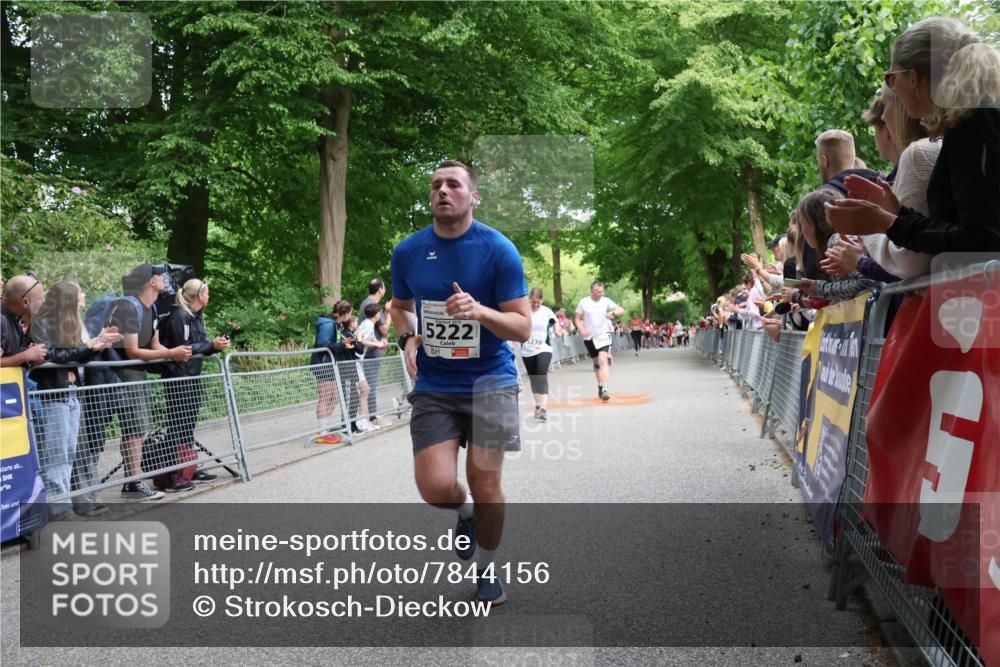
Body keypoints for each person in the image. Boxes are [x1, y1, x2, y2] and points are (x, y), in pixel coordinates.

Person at [388, 159, 530, 605]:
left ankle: (487, 570)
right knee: (435, 488)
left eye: (453, 184)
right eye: (435, 186)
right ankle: (464, 513)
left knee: (486, 483)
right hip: (436, 385)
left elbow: (523, 327)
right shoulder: (408, 251)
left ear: (473, 196)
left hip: (491, 383)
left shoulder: (498, 249)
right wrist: (409, 335)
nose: (442, 191)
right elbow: (397, 306)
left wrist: (480, 311)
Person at [826, 17, 1000, 254]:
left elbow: (982, 240)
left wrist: (888, 223)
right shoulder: (976, 116)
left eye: (891, 78)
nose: (892, 88)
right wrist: (897, 213)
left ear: (914, 78)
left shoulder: (973, 123)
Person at [29, 282, 121, 517]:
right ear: (68, 298)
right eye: (80, 292)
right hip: (54, 394)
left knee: (69, 452)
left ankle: (64, 505)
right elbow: (55, 355)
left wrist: (95, 345)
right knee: (56, 454)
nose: (84, 295)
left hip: (71, 393)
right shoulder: (44, 323)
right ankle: (58, 509)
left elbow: (74, 355)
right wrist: (88, 346)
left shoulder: (67, 324)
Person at [112, 263, 192, 501]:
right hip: (126, 372)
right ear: (150, 282)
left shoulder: (153, 308)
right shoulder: (129, 307)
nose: (165, 278)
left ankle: (133, 481)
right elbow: (133, 351)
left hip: (139, 372)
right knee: (134, 429)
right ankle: (133, 482)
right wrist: (170, 354)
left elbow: (155, 345)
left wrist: (176, 354)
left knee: (138, 429)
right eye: (160, 276)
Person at [157, 279, 229, 492]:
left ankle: (188, 466)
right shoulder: (180, 316)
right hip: (178, 378)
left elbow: (201, 345)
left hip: (192, 377)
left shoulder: (197, 316)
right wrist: (211, 345)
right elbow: (185, 348)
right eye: (207, 293)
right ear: (199, 295)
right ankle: (170, 474)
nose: (209, 296)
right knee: (177, 424)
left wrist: (215, 347)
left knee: (188, 425)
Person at [309, 300, 354, 444]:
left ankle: (324, 429)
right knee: (325, 396)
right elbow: (322, 345)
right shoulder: (328, 324)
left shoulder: (334, 323)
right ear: (345, 313)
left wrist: (342, 344)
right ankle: (322, 432)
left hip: (329, 363)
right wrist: (341, 345)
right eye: (351, 312)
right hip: (323, 364)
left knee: (334, 397)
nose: (351, 315)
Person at [574, 281, 624, 402]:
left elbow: (620, 309)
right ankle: (600, 384)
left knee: (603, 361)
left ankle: (605, 389)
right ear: (592, 291)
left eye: (602, 291)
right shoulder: (584, 302)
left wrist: (613, 313)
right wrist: (582, 330)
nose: (600, 294)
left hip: (603, 335)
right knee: (596, 363)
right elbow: (577, 318)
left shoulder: (606, 301)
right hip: (589, 337)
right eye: (597, 292)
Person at [520, 287, 563, 422]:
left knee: (541, 374)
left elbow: (555, 322)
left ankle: (543, 408)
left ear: (542, 301)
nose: (536, 305)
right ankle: (538, 405)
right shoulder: (524, 311)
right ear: (529, 300)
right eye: (533, 302)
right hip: (527, 349)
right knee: (534, 378)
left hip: (544, 347)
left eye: (538, 302)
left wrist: (557, 330)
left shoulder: (546, 311)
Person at [358, 278, 392, 426]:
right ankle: (372, 417)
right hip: (372, 352)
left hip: (368, 352)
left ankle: (370, 416)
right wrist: (389, 311)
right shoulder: (374, 305)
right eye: (384, 287)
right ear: (380, 289)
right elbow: (384, 328)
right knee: (371, 383)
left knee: (369, 384)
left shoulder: (364, 302)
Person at [1, 274, 48, 369]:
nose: (43, 302)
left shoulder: (15, 317)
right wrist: (26, 355)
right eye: (40, 298)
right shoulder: (1, 320)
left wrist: (33, 357)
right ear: (25, 302)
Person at [351, 306, 386, 432]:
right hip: (354, 360)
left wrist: (379, 341)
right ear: (377, 314)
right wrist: (377, 344)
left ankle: (362, 421)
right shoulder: (368, 324)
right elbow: (362, 340)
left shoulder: (367, 323)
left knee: (363, 390)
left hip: (357, 361)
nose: (380, 315)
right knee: (365, 389)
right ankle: (361, 422)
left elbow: (370, 338)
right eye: (380, 313)